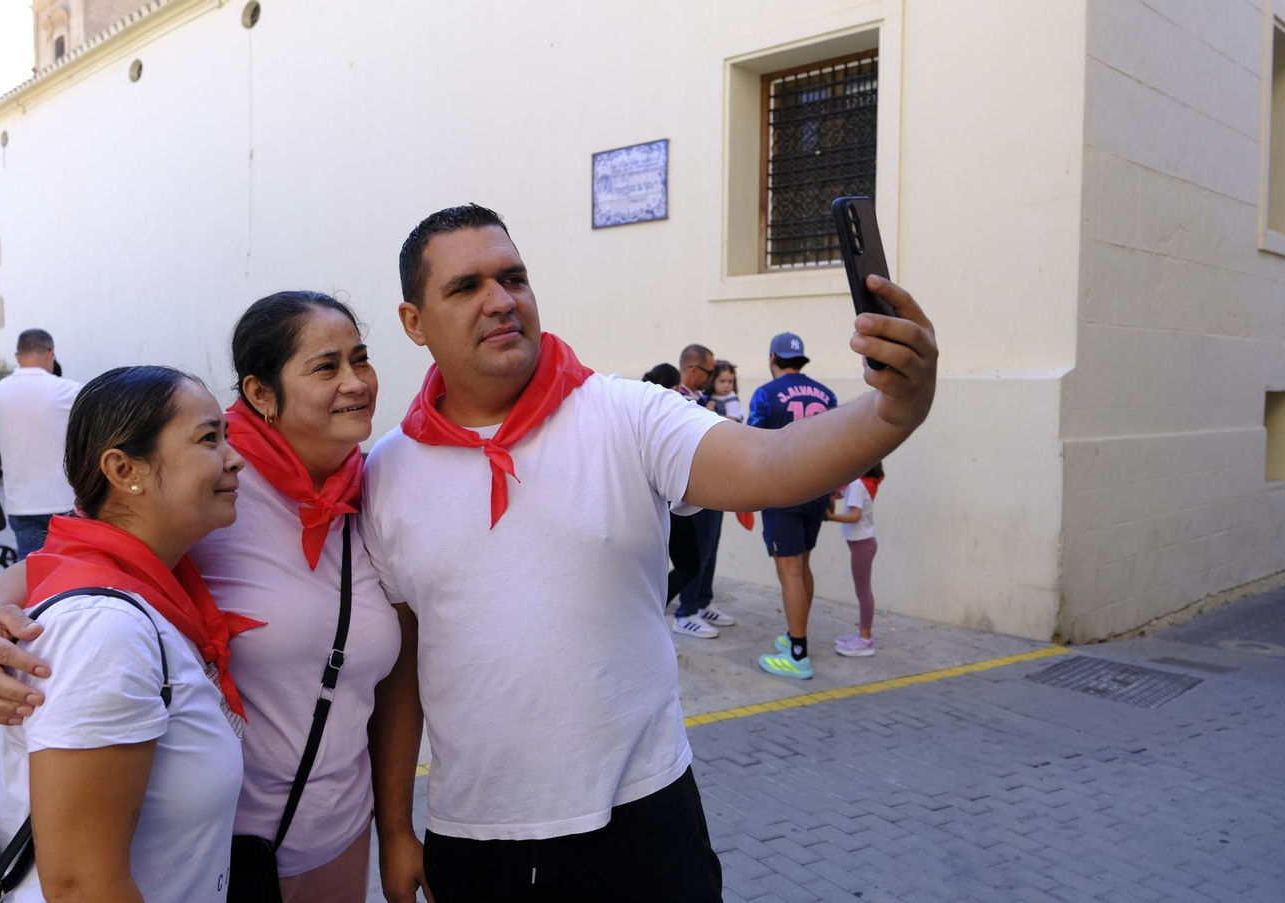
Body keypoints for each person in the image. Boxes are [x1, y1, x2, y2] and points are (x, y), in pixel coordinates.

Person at [360, 204, 934, 902]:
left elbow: (773, 461)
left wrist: (891, 411)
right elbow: (401, 664)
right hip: (475, 835)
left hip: (644, 820)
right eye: (466, 286)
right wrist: (394, 826)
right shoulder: (387, 473)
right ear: (414, 321)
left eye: (514, 277)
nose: (502, 300)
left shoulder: (624, 414)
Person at [0, 294, 418, 901]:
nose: (356, 383)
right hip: (225, 847)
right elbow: (75, 564)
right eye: (326, 367)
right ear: (260, 394)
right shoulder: (209, 497)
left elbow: (398, 664)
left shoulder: (375, 486)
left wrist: (394, 828)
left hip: (340, 834)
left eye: (361, 359)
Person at [0, 365, 249, 901]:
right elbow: (82, 886)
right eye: (208, 438)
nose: (234, 457)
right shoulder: (103, 633)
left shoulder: (147, 587)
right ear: (125, 469)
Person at [748, 332, 842, 680]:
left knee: (789, 572)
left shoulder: (765, 394)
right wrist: (833, 489)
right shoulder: (826, 393)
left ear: (773, 358)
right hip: (817, 491)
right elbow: (839, 444)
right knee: (802, 566)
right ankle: (794, 636)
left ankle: (798, 654)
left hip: (782, 492)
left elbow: (752, 442)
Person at [0, 330, 82, 560]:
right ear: (51, 353)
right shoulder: (70, 390)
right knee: (68, 567)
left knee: (29, 571)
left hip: (20, 501)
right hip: (64, 499)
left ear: (17, 356)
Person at [673, 344, 735, 636]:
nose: (713, 379)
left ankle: (701, 601)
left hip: (716, 485)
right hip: (693, 488)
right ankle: (685, 611)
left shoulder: (704, 398)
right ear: (694, 370)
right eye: (710, 373)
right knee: (697, 550)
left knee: (711, 547)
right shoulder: (675, 398)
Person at [642, 364, 701, 615]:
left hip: (644, 503)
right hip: (668, 501)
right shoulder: (669, 414)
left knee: (652, 568)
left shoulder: (639, 409)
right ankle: (651, 614)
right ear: (674, 388)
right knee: (689, 564)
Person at [826, 461, 883, 657]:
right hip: (862, 543)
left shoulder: (858, 484)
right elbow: (839, 493)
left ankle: (865, 640)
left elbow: (855, 516)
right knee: (863, 591)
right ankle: (862, 633)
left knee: (863, 591)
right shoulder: (859, 484)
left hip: (862, 544)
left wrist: (830, 517)